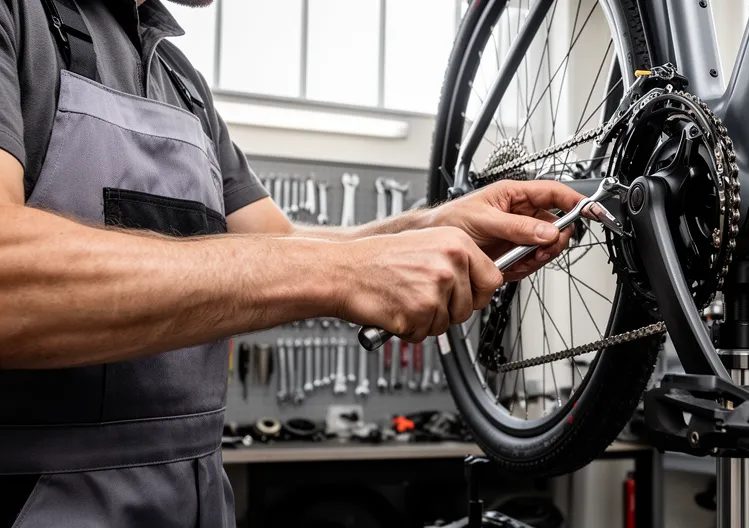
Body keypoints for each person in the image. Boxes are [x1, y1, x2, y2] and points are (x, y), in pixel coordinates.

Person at [0, 0, 584, 525]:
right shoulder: (17, 19)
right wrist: (348, 276)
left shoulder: (183, 84)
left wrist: (428, 226)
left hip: (193, 497)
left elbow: (280, 244)